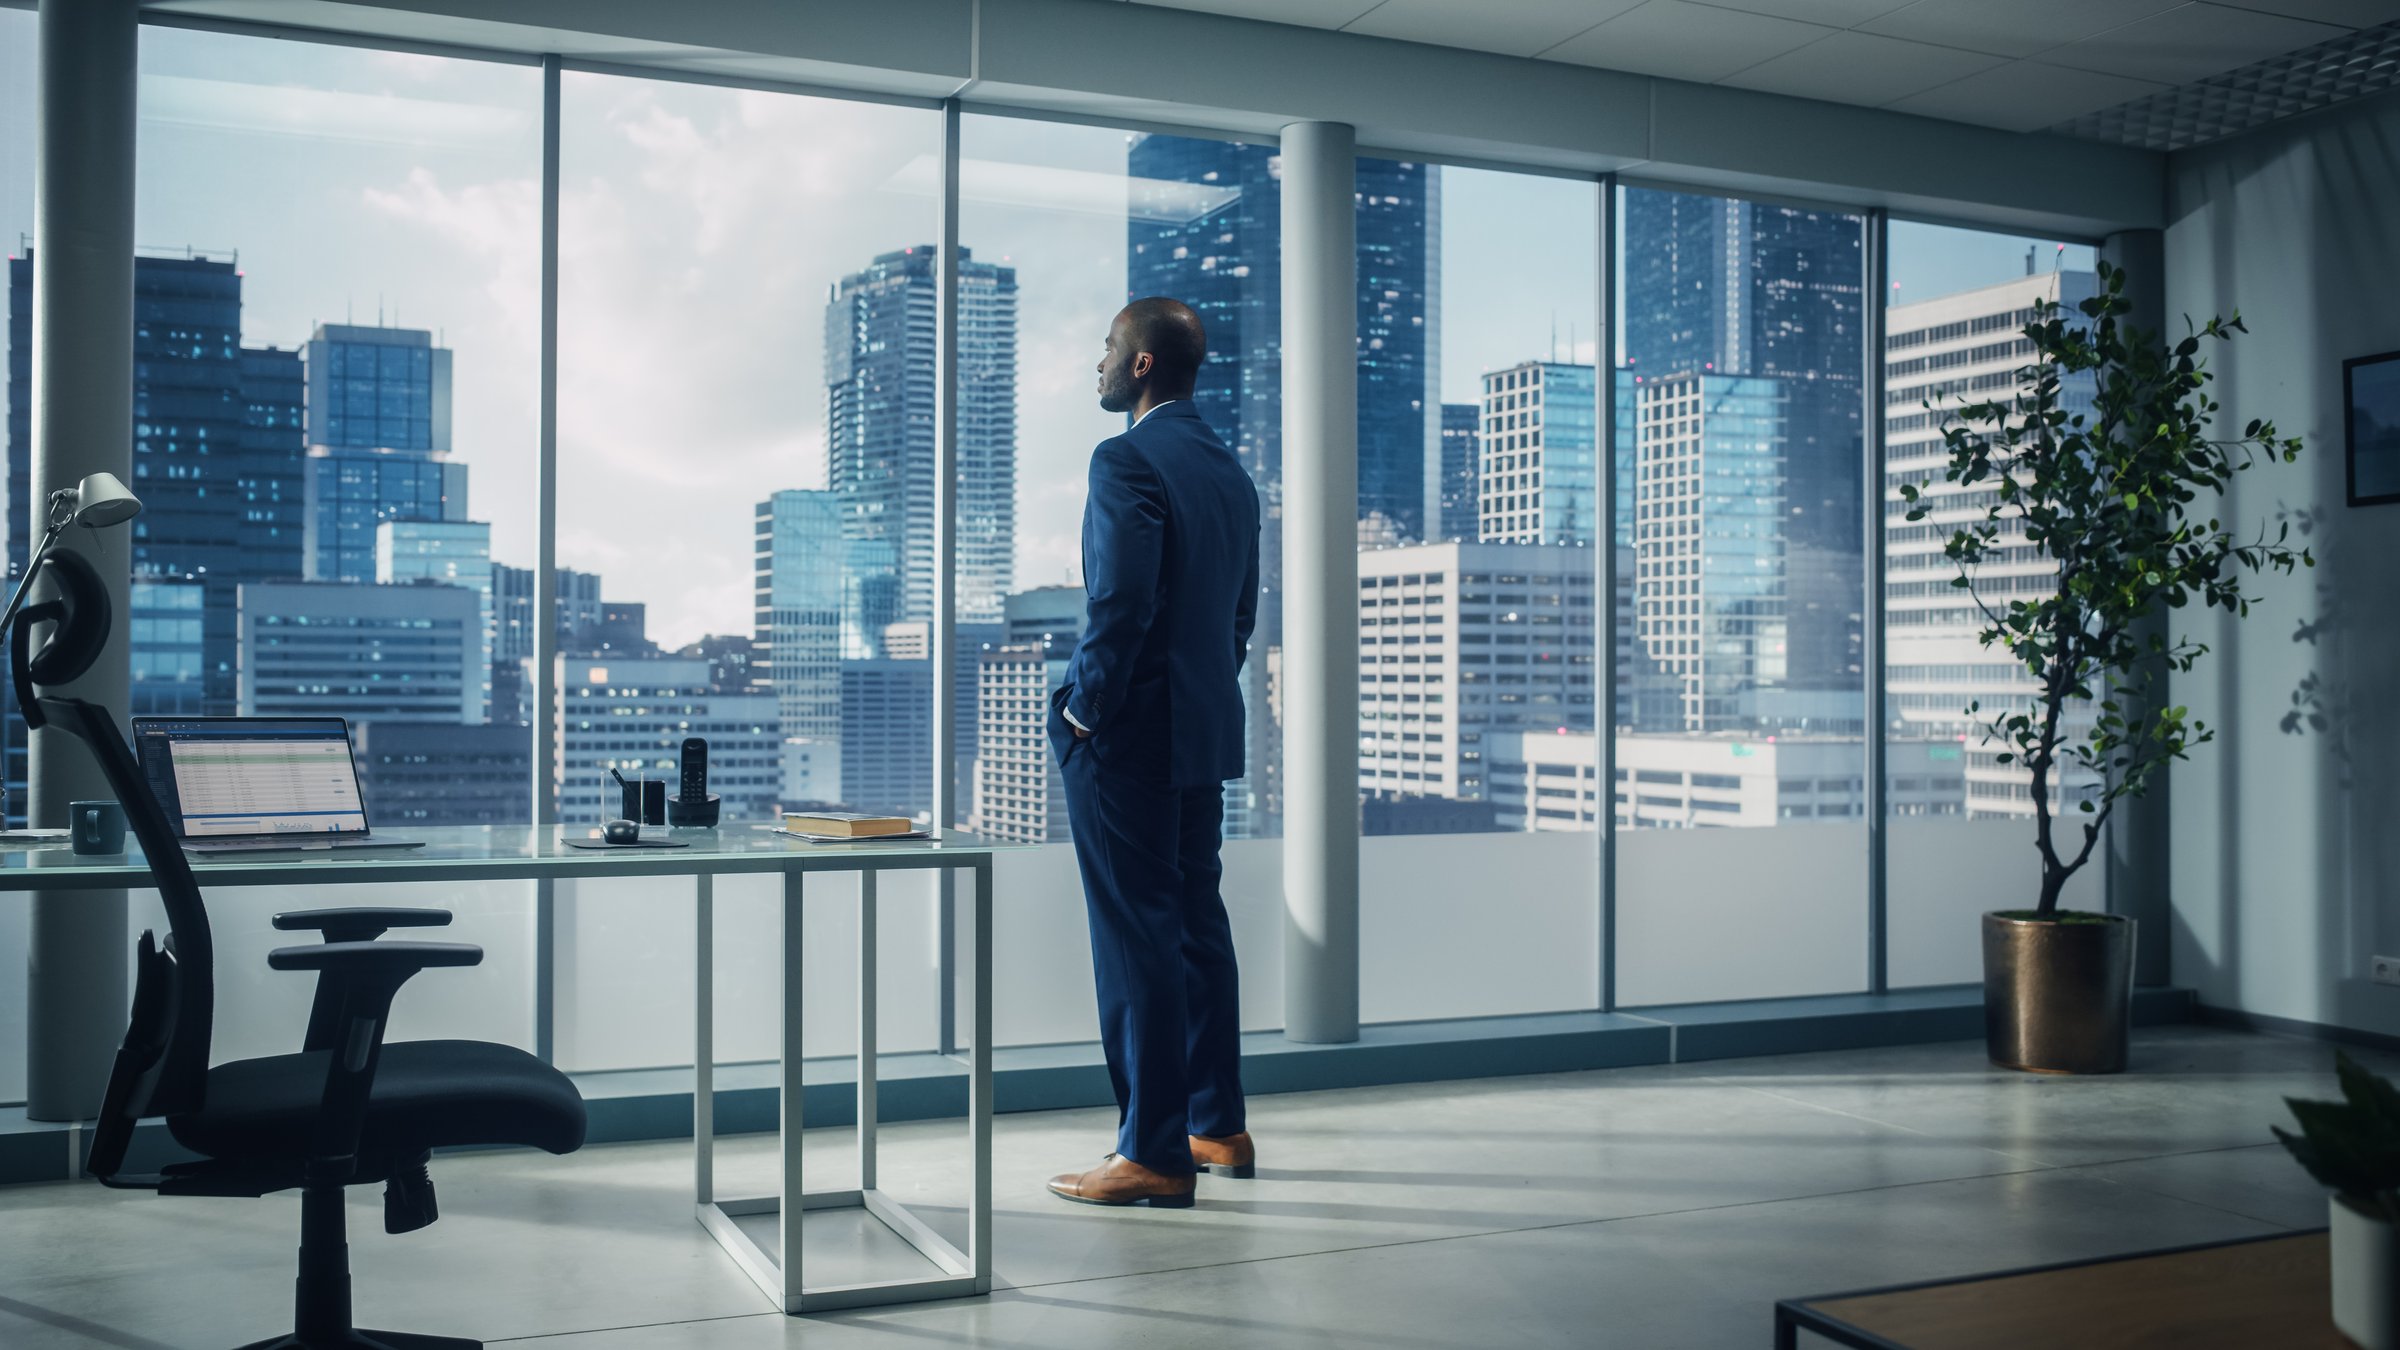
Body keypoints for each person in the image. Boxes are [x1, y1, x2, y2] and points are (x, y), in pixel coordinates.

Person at [1045, 297, 1262, 1209]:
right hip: (1201, 729)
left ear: (1140, 365)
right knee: (1196, 928)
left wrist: (1086, 713)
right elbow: (1239, 619)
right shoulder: (1231, 473)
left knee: (1137, 936)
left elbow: (1119, 604)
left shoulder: (1125, 458)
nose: (1097, 363)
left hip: (1130, 735)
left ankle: (1153, 1152)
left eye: (1106, 349)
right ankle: (1217, 1126)